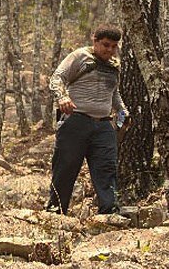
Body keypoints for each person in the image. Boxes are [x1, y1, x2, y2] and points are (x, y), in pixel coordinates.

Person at [47, 25, 130, 216]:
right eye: (105, 45)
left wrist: (123, 111)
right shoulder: (79, 57)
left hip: (103, 125)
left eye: (113, 47)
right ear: (95, 41)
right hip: (76, 121)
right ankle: (55, 212)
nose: (109, 50)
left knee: (107, 168)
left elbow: (114, 93)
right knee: (65, 168)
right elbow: (57, 78)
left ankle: (109, 212)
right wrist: (62, 97)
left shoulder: (114, 65)